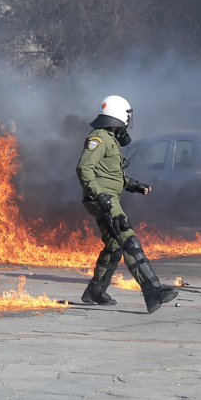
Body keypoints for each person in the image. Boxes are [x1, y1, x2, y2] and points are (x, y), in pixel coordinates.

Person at [76, 95, 178, 313]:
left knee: (114, 247)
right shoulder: (99, 138)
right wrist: (99, 195)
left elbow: (110, 173)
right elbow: (84, 168)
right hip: (102, 200)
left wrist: (133, 185)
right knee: (129, 240)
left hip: (106, 197)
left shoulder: (110, 137)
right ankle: (153, 291)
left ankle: (95, 290)